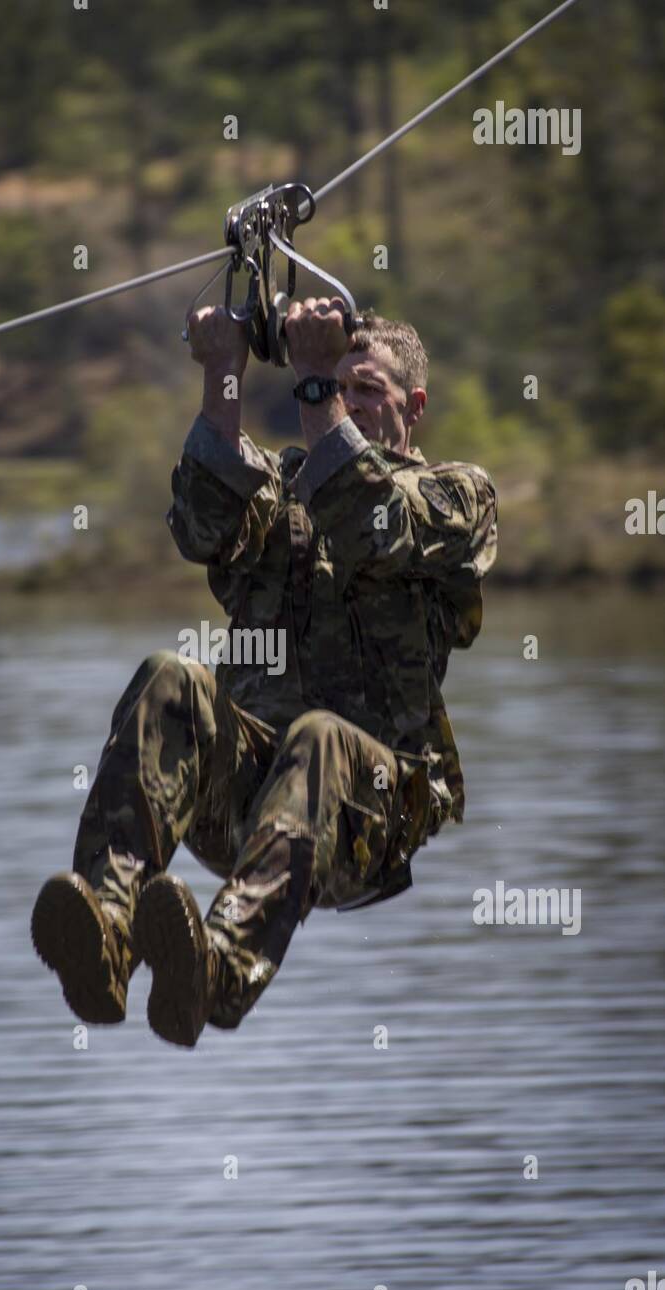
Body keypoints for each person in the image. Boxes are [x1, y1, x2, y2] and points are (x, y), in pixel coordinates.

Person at [31, 296, 498, 1047]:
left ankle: (218, 972)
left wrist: (313, 380)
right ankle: (110, 933)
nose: (343, 404)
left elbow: (375, 523)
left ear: (414, 408)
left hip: (371, 815)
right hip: (249, 801)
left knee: (319, 737)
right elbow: (204, 526)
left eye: (364, 391)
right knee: (171, 677)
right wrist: (223, 370)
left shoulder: (457, 496)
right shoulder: (283, 502)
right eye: (336, 390)